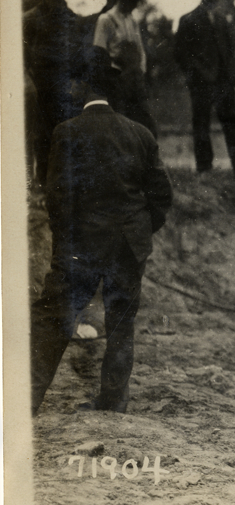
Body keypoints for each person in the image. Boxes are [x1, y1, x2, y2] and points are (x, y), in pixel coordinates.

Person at [30, 46, 173, 414]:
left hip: (82, 245)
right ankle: (113, 401)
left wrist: (66, 245)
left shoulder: (67, 132)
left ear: (80, 87)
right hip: (128, 244)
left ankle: (26, 399)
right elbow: (161, 196)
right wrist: (138, 231)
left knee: (54, 318)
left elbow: (57, 197)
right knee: (121, 321)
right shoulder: (140, 134)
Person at [173, 0, 235, 174]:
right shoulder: (189, 20)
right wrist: (195, 74)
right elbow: (180, 53)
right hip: (201, 83)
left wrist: (230, 76)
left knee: (233, 122)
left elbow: (228, 51)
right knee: (201, 125)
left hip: (223, 82)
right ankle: (204, 169)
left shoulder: (221, 20)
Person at [22, 0, 82, 186]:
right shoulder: (30, 19)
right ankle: (42, 182)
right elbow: (21, 56)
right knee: (41, 137)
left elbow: (78, 54)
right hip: (39, 86)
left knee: (65, 135)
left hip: (64, 87)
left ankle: (63, 183)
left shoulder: (72, 20)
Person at [92, 0, 158, 137]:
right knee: (119, 125)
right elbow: (99, 53)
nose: (134, 5)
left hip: (133, 79)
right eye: (132, 1)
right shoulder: (106, 20)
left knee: (144, 123)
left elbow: (141, 51)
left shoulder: (132, 20)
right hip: (116, 80)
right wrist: (111, 80)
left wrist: (139, 74)